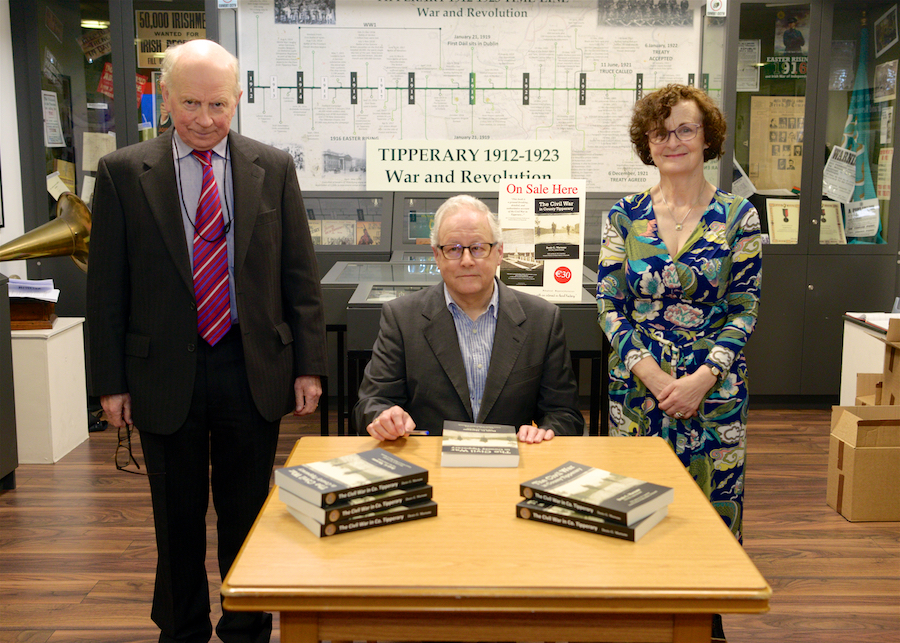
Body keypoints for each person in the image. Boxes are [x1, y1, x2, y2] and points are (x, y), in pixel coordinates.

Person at [86, 39, 326, 643]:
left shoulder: (273, 168)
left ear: (238, 99)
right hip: (164, 373)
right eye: (189, 102)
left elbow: (298, 274)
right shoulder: (122, 173)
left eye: (218, 104)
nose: (204, 118)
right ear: (164, 97)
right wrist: (109, 383)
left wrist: (309, 366)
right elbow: (107, 290)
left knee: (249, 513)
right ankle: (183, 628)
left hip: (253, 369)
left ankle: (246, 628)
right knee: (176, 518)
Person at [596, 85, 761, 639]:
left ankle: (702, 622)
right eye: (661, 132)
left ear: (708, 137)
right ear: (648, 143)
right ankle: (637, 617)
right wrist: (653, 374)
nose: (673, 142)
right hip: (638, 393)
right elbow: (609, 305)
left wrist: (698, 380)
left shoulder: (739, 217)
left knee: (709, 510)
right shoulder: (624, 216)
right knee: (634, 508)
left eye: (685, 129)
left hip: (712, 395)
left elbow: (744, 309)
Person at [353, 194, 584, 443]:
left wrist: (546, 431)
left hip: (511, 464)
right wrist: (384, 417)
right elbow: (371, 403)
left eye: (477, 248)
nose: (466, 261)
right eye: (453, 249)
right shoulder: (401, 317)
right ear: (436, 256)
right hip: (428, 464)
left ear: (498, 253)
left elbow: (564, 414)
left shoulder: (542, 320)